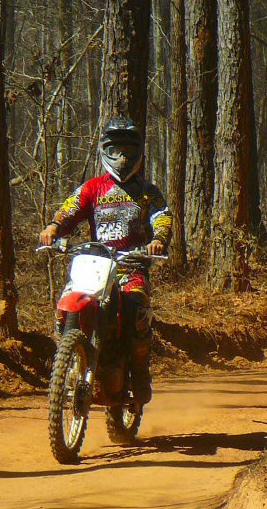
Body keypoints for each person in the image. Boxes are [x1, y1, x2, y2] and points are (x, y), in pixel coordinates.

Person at [38, 116, 172, 405]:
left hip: (131, 265)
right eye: (116, 150)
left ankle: (139, 373)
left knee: (136, 308)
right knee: (67, 302)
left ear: (137, 152)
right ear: (105, 151)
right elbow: (70, 209)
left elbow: (162, 215)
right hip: (95, 263)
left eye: (127, 150)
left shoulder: (147, 191)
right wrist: (53, 227)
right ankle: (67, 360)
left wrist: (158, 239)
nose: (122, 157)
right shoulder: (93, 188)